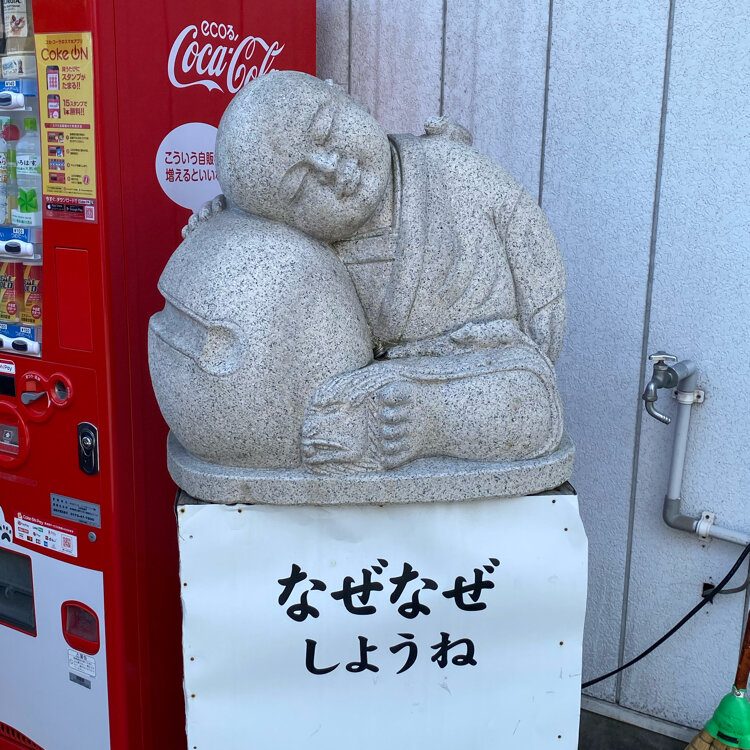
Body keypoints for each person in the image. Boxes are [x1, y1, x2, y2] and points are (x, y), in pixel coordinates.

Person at [199, 70, 567, 474]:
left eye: (326, 130)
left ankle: (431, 421)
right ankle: (400, 420)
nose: (328, 166)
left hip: (485, 360)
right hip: (379, 381)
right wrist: (231, 225)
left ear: (347, 96)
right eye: (299, 187)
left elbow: (521, 224)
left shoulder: (451, 167)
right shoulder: (308, 252)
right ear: (284, 223)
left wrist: (543, 312)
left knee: (526, 399)